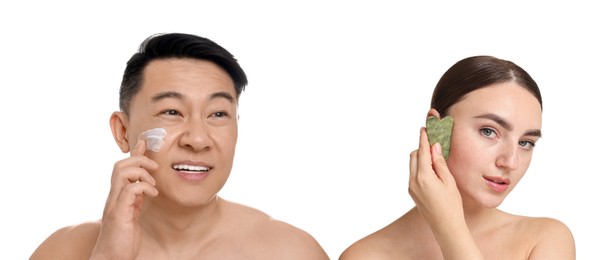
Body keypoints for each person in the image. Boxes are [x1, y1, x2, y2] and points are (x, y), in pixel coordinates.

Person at [30, 33, 329, 259]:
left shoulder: (291, 252)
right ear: (122, 131)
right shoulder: (63, 251)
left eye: (218, 114)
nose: (197, 140)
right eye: (172, 112)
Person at [339, 55, 576, 259]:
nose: (510, 162)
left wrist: (449, 228)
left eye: (526, 143)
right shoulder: (364, 255)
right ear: (438, 130)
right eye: (489, 131)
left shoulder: (545, 240)